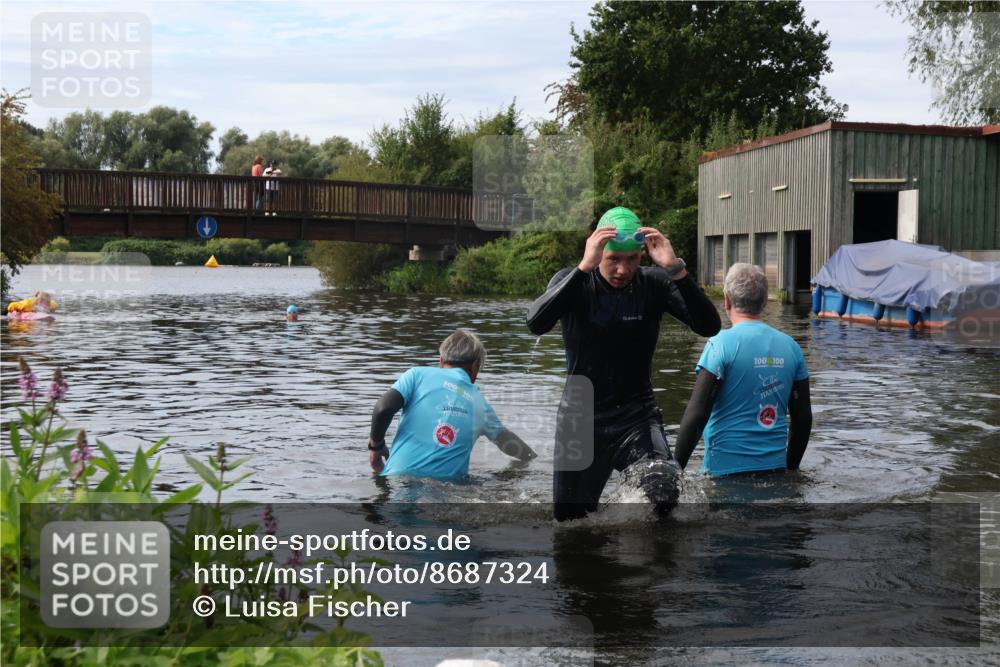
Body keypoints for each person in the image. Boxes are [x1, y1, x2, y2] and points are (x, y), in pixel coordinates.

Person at [526, 207, 721, 521]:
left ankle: (650, 564)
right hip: (579, 422)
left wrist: (676, 269)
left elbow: (709, 326)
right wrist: (582, 269)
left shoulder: (655, 284)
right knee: (570, 524)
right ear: (598, 252)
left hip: (637, 417)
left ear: (641, 256)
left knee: (665, 491)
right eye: (613, 259)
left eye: (631, 259)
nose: (622, 269)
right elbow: (535, 323)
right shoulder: (572, 282)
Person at [673, 263, 812, 476]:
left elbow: (697, 414)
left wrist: (675, 470)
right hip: (774, 470)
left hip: (724, 473)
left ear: (727, 299)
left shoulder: (719, 345)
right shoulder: (791, 347)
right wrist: (791, 469)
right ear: (765, 300)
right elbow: (802, 419)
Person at [368, 329, 537, 479]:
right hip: (445, 496)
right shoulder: (480, 403)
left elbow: (383, 409)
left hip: (397, 480)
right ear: (476, 366)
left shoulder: (416, 375)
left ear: (441, 360)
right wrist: (535, 459)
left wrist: (376, 447)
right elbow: (507, 442)